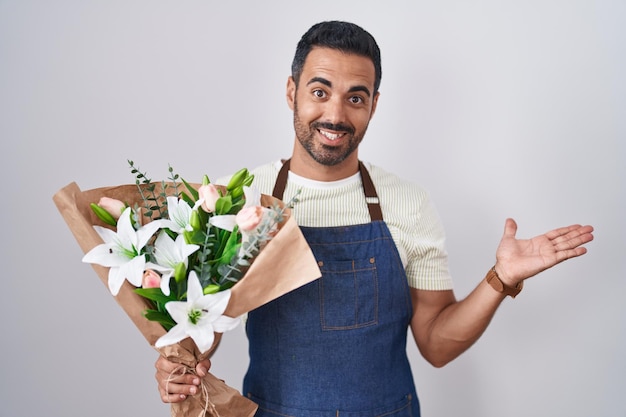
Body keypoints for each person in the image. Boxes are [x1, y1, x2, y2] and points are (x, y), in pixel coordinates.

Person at [155, 21, 594, 416]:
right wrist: (176, 364)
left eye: (356, 98)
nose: (336, 115)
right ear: (292, 91)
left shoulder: (407, 203)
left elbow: (437, 344)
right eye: (319, 91)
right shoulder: (240, 199)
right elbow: (202, 325)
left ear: (374, 105)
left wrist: (500, 278)